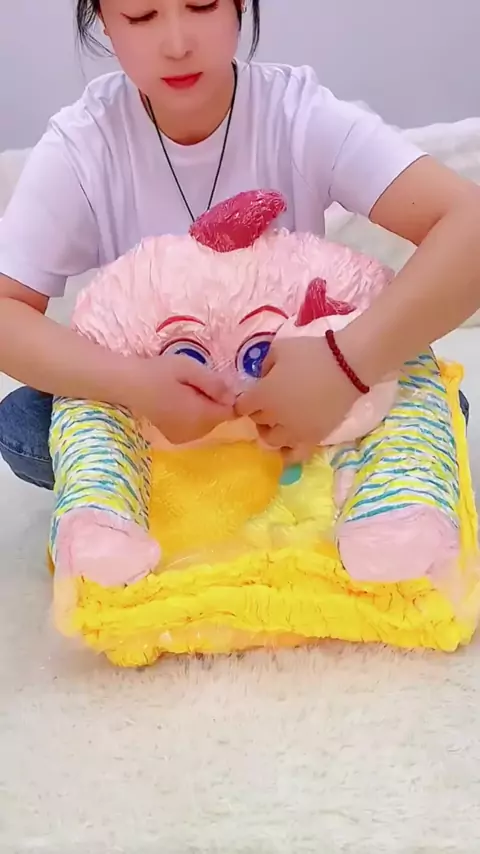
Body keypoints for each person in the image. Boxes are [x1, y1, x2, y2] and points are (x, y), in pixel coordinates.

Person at [0, 0, 477, 491]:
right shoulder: (85, 141)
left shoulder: (296, 113)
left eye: (202, 5)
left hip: (298, 401)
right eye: (142, 16)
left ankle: (236, 485)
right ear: (103, 19)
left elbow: (471, 223)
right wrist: (134, 384)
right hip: (163, 418)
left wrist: (346, 364)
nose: (177, 45)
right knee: (23, 421)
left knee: (429, 397)